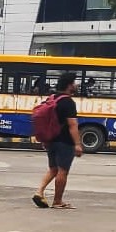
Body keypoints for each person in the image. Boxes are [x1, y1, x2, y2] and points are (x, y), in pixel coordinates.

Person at [33, 72, 82, 210]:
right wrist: (77, 144)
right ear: (69, 85)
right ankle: (57, 201)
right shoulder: (68, 102)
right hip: (64, 141)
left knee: (53, 169)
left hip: (51, 140)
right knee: (62, 171)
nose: (76, 85)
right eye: (74, 83)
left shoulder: (52, 98)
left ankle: (39, 191)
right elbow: (72, 125)